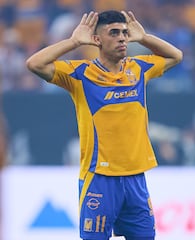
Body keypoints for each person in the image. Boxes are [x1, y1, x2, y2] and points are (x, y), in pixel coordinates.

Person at [26, 10, 183, 240]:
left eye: (124, 33)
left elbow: (176, 56)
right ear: (97, 40)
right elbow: (34, 63)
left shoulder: (138, 69)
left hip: (135, 178)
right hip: (99, 178)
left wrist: (144, 37)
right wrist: (73, 42)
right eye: (114, 33)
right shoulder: (80, 74)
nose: (122, 38)